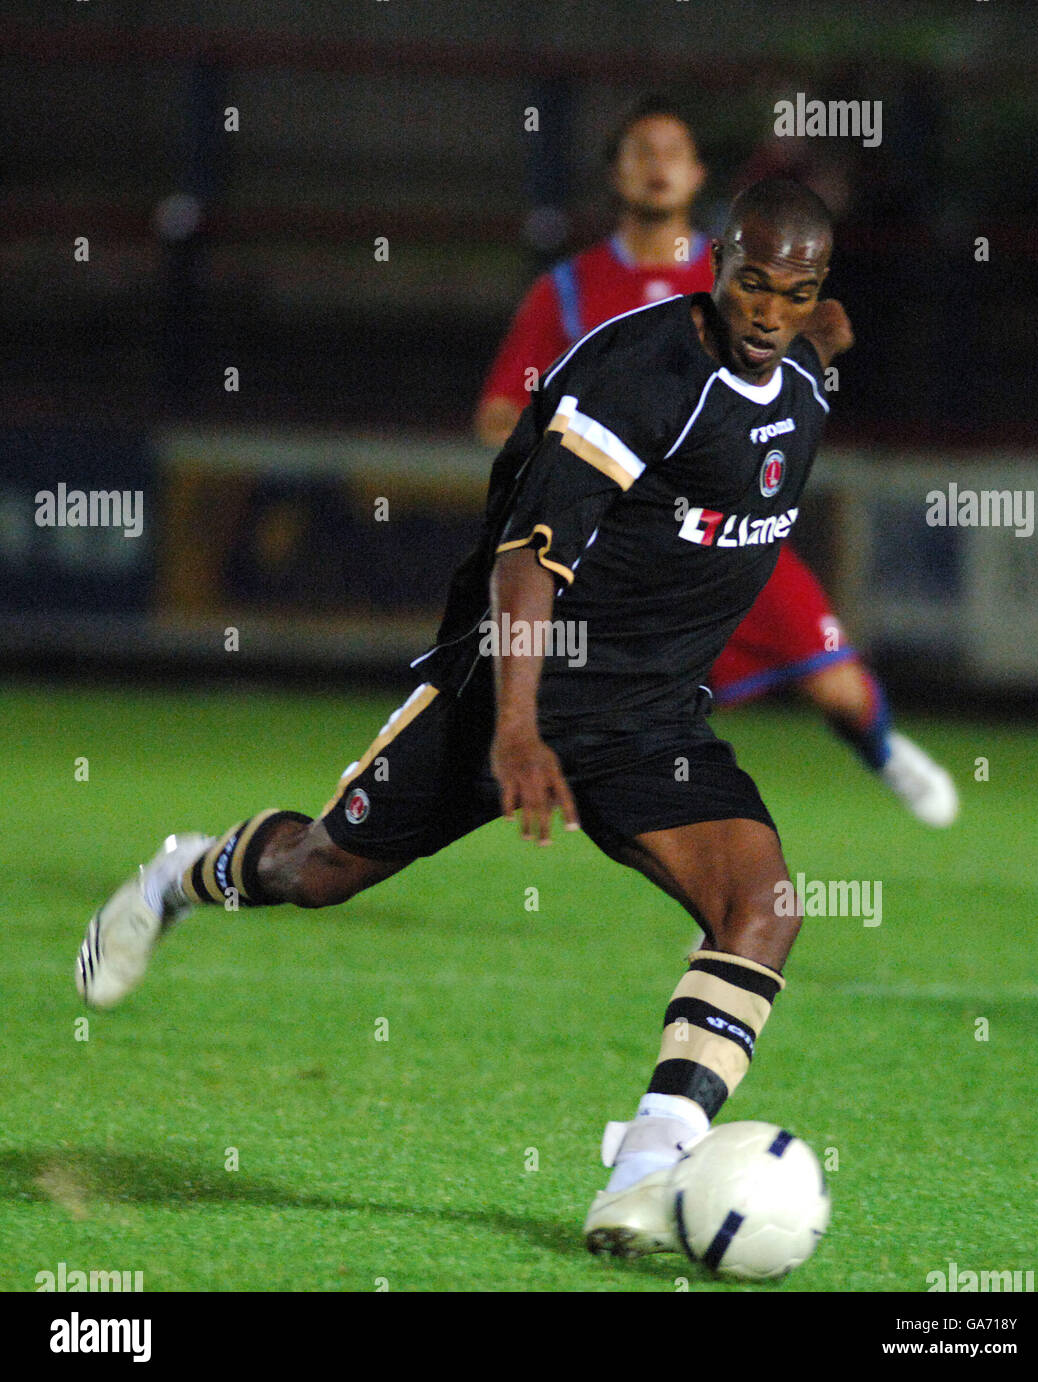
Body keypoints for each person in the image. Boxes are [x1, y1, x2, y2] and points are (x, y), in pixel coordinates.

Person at [78, 178, 852, 1260]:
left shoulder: (806, 363)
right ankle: (180, 876)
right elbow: (527, 566)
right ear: (714, 263)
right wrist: (515, 731)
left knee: (760, 906)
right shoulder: (641, 376)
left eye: (795, 291)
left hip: (648, 723)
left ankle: (635, 1182)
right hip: (511, 691)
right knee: (316, 869)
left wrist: (820, 319)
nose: (767, 312)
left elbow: (825, 335)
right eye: (751, 284)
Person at [476, 96, 958, 827]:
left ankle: (885, 751)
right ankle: (417, 793)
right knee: (552, 676)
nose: (658, 167)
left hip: (728, 525)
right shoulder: (567, 290)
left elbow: (816, 337)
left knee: (835, 687)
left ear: (698, 172)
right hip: (627, 549)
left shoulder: (745, 267)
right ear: (615, 174)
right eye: (641, 151)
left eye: (673, 152)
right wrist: (581, 458)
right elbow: (500, 414)